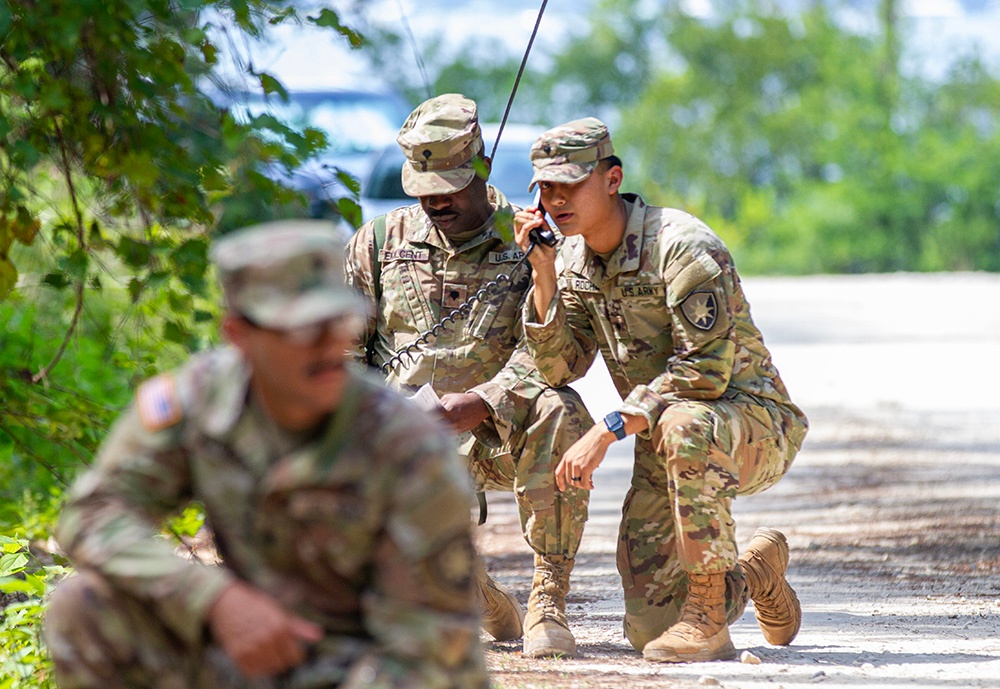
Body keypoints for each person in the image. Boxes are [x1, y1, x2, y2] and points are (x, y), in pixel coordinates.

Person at [43, 221, 489, 688]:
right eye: (301, 329)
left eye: (337, 323)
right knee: (84, 606)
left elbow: (435, 646)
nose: (327, 347)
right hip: (249, 648)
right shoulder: (197, 403)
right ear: (239, 334)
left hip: (372, 665)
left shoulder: (406, 446)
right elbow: (90, 513)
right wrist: (212, 599)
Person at [513, 118, 810, 663]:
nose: (555, 200)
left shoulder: (682, 246)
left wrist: (607, 430)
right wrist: (544, 277)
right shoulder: (575, 262)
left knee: (684, 421)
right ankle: (754, 575)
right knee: (649, 627)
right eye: (545, 188)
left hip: (751, 423)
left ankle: (708, 620)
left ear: (611, 179)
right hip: (667, 440)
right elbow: (560, 368)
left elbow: (704, 374)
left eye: (569, 185)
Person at [345, 94, 593, 658]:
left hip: (496, 437)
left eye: (450, 186)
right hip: (405, 444)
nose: (435, 201)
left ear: (481, 166)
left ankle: (547, 597)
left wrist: (482, 400)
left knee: (563, 408)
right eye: (422, 189)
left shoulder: (533, 240)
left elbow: (559, 360)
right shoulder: (378, 243)